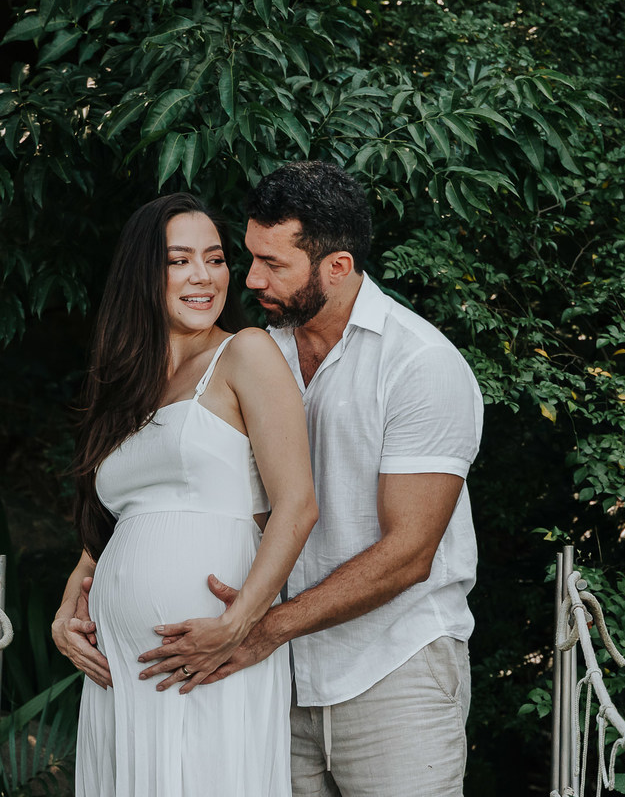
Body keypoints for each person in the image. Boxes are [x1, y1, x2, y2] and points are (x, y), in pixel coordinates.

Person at [138, 162, 485, 796]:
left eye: (274, 264)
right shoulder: (251, 353)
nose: (251, 279)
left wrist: (259, 629)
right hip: (275, 679)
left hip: (393, 670)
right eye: (251, 257)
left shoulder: (420, 364)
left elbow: (410, 553)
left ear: (338, 267)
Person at [51, 192, 318, 797]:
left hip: (208, 652)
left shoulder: (245, 353)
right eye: (179, 260)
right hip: (120, 668)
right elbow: (121, 516)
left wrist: (239, 623)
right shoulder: (125, 385)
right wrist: (73, 599)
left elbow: (297, 504)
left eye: (215, 258)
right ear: (142, 274)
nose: (204, 276)